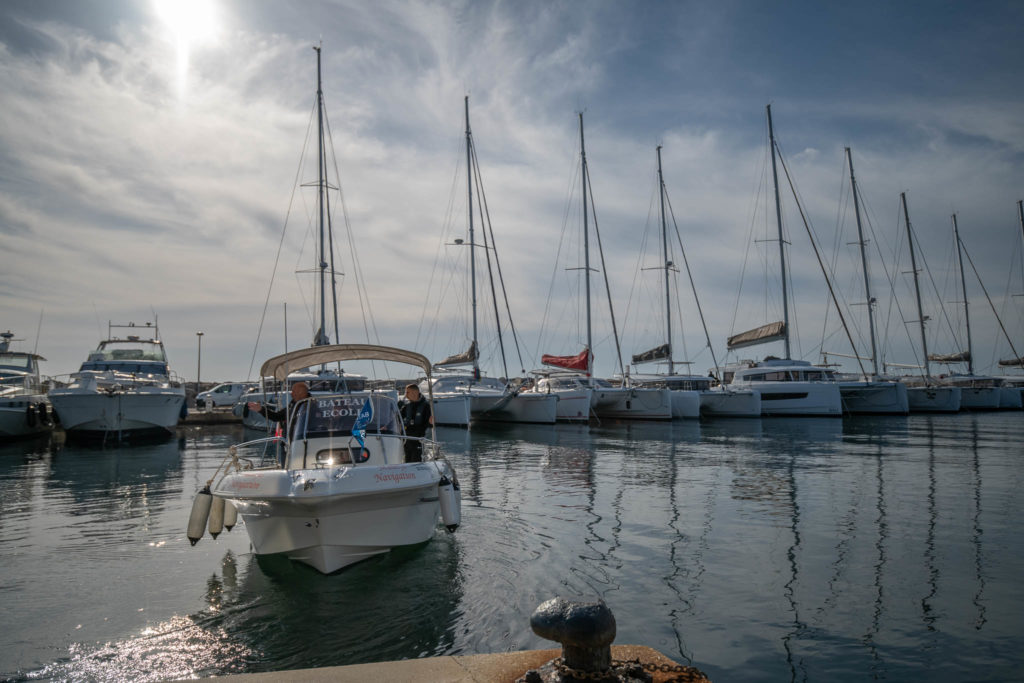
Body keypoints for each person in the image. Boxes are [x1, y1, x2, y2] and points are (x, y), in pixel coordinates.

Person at [399, 383, 431, 463]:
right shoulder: (406, 406)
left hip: (418, 439)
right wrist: (398, 408)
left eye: (407, 392)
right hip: (407, 439)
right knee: (407, 461)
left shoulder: (425, 406)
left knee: (415, 460)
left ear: (415, 393)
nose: (406, 395)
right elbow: (397, 418)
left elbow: (428, 424)